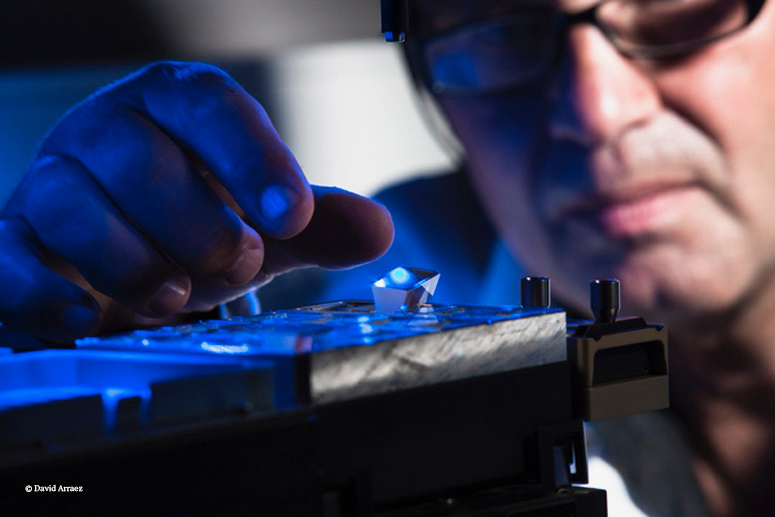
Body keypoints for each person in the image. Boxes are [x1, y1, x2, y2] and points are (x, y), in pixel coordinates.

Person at [0, 0, 774, 514]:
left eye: (679, 5)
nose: (596, 111)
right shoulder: (350, 307)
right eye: (498, 25)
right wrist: (70, 409)